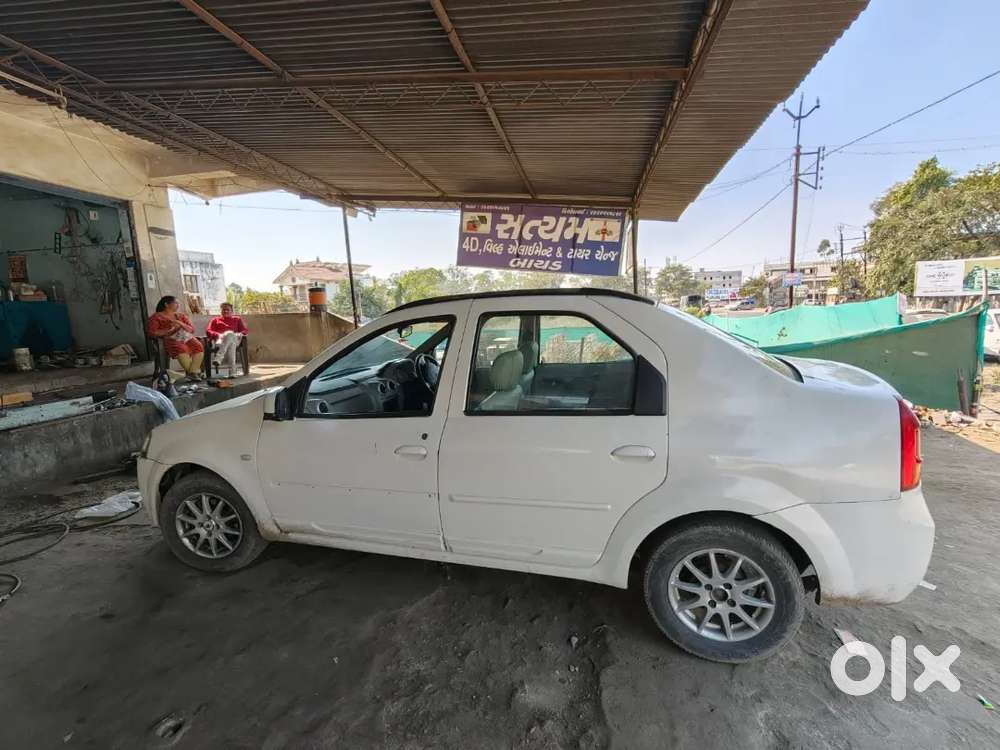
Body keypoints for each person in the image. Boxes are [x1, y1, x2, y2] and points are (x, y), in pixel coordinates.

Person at [147, 295, 204, 380]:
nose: (178, 305)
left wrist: (180, 323)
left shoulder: (181, 316)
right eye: (176, 303)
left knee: (198, 346)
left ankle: (191, 373)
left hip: (186, 337)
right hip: (170, 339)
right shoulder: (156, 317)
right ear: (166, 304)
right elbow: (152, 332)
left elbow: (192, 330)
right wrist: (171, 330)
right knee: (181, 348)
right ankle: (194, 373)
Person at [205, 302, 249, 376]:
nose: (225, 311)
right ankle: (232, 372)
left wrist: (240, 333)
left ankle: (218, 358)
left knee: (230, 334)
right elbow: (208, 331)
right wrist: (218, 335)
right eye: (223, 309)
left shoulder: (237, 319)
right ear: (221, 310)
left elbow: (245, 330)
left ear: (232, 311)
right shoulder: (215, 320)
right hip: (220, 341)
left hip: (235, 339)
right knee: (231, 344)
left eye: (227, 309)